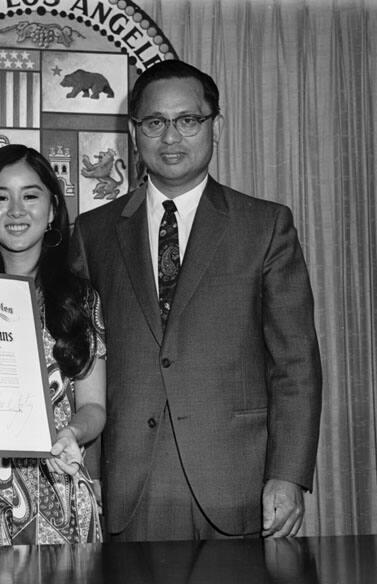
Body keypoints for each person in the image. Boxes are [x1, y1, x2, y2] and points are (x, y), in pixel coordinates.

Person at [70, 59, 322, 541]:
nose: (170, 138)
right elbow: (83, 362)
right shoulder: (94, 232)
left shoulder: (264, 227)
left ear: (215, 126)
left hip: (237, 484)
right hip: (127, 489)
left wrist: (288, 475)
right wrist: (91, 472)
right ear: (134, 131)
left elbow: (296, 364)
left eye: (188, 121)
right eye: (155, 123)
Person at [0, 144, 107, 546]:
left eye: (30, 196)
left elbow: (95, 407)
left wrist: (72, 433)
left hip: (59, 495)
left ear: (51, 212)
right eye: (0, 197)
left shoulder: (81, 300)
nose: (16, 210)